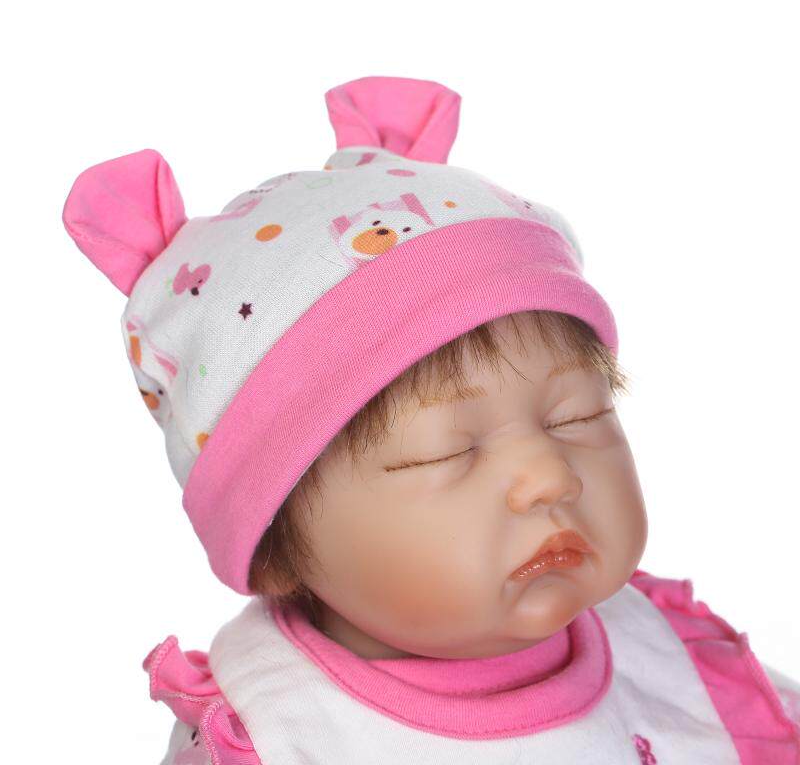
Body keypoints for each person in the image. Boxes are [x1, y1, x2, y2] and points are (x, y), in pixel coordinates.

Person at [63, 76, 800, 764]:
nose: (549, 477)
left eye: (577, 416)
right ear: (276, 552)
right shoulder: (281, 734)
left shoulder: (676, 665)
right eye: (445, 453)